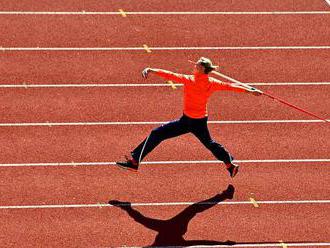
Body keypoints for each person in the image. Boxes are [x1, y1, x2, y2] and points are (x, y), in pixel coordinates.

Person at [116, 57, 262, 177]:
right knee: (210, 144)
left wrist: (152, 70)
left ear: (202, 69)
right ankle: (230, 165)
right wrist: (250, 91)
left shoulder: (190, 80)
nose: (194, 65)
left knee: (157, 133)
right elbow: (230, 86)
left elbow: (170, 75)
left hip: (190, 122)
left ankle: (135, 162)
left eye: (197, 64)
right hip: (195, 121)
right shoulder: (212, 83)